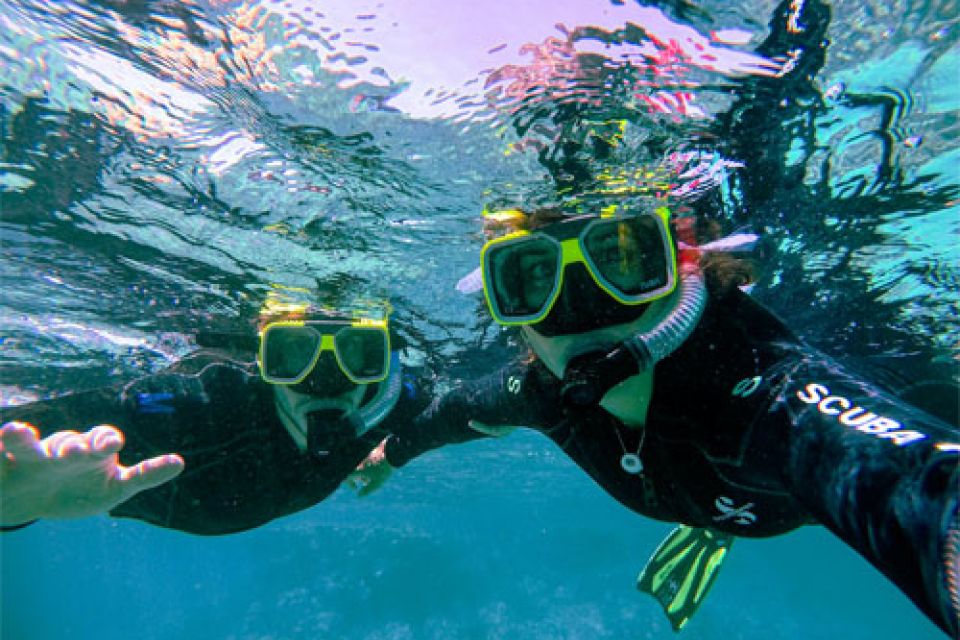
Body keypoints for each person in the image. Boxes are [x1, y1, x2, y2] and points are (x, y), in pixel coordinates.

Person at [363, 205, 959, 636]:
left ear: (687, 271)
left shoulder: (770, 397)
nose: (579, 308)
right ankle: (715, 521)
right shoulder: (539, 391)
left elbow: (910, 483)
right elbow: (456, 411)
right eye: (535, 277)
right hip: (712, 499)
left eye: (623, 260)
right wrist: (390, 456)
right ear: (511, 315)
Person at [0, 306, 430, 535]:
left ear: (383, 359)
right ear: (263, 360)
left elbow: (461, 409)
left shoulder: (394, 399)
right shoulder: (197, 404)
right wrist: (14, 506)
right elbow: (25, 437)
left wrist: (395, 452)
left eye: (360, 353)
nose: (328, 383)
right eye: (294, 353)